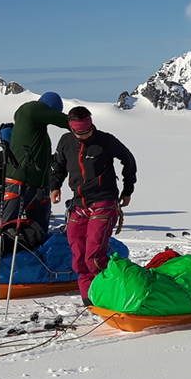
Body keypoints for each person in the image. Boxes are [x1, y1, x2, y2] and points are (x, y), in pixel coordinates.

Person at [49, 106, 136, 304]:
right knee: (79, 255)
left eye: (87, 131)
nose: (84, 136)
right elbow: (59, 166)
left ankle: (108, 294)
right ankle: (89, 299)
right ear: (72, 129)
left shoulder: (105, 140)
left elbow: (128, 160)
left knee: (94, 255)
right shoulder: (66, 142)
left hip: (104, 200)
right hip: (79, 203)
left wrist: (128, 189)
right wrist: (55, 186)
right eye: (79, 132)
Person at [1, 92, 70, 240]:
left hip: (37, 184)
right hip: (21, 180)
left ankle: (31, 257)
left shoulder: (37, 131)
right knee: (9, 227)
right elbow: (62, 120)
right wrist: (81, 125)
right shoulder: (30, 109)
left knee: (37, 230)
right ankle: (2, 255)